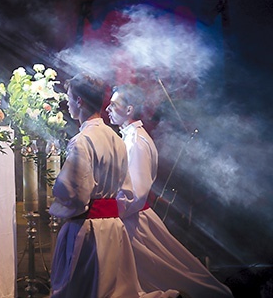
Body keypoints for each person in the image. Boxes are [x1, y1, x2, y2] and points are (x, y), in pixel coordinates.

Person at [48, 73, 178, 298]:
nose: (66, 103)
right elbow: (126, 189)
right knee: (116, 290)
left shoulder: (83, 140)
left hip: (86, 230)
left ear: (79, 100)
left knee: (80, 290)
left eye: (69, 97)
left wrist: (58, 201)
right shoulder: (115, 138)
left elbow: (73, 192)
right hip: (113, 227)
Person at [107, 83, 234, 298]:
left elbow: (136, 193)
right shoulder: (130, 137)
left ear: (129, 109)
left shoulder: (136, 142)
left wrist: (111, 212)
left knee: (166, 274)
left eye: (113, 104)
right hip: (130, 217)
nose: (108, 109)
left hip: (132, 221)